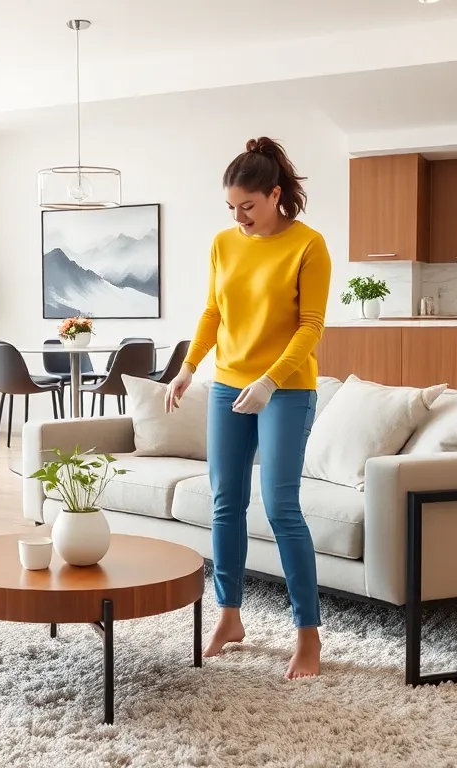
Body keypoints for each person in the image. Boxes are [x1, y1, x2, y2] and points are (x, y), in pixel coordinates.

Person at [166, 137, 331, 678]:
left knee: (282, 508)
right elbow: (213, 311)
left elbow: (310, 327)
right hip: (226, 385)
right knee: (224, 503)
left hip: (285, 389)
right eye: (231, 208)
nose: (239, 218)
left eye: (248, 207)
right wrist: (189, 367)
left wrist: (270, 381)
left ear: (276, 195)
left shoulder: (309, 246)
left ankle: (307, 634)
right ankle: (230, 615)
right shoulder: (223, 243)